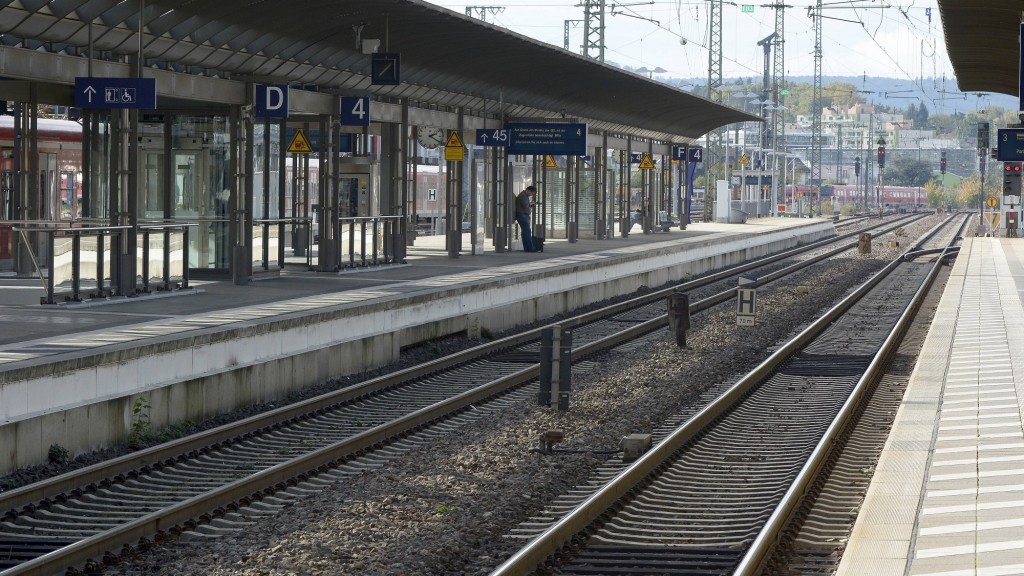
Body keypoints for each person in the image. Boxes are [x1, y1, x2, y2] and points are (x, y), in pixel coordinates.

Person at [515, 185, 537, 252]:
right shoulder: (522, 196)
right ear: (529, 190)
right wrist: (531, 204)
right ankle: (530, 248)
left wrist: (530, 204)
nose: (531, 195)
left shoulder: (525, 196)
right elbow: (525, 206)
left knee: (525, 232)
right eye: (531, 193)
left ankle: (527, 248)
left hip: (524, 215)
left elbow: (526, 205)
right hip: (522, 215)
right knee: (527, 232)